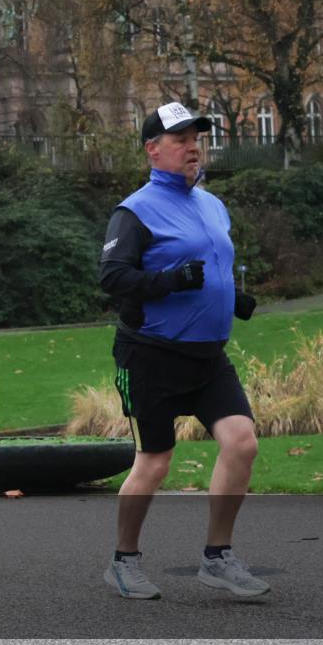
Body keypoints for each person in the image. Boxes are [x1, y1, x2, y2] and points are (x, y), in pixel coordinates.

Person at [99, 103, 269, 600]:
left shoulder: (213, 205)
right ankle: (123, 560)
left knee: (242, 442)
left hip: (208, 357)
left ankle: (218, 557)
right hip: (150, 355)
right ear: (153, 150)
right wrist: (169, 281)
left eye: (197, 136)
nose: (193, 145)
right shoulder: (135, 210)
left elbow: (211, 265)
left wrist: (229, 297)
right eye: (180, 138)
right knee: (154, 461)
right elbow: (112, 277)